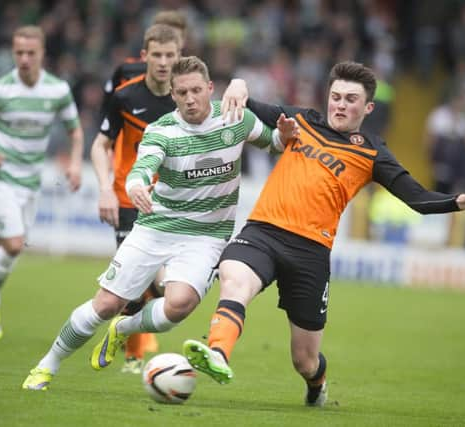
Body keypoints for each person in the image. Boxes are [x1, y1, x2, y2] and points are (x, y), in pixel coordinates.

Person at [182, 61, 465, 407]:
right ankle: (218, 353)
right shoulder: (303, 120)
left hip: (310, 253)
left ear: (367, 108)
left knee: (304, 361)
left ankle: (317, 385)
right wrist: (239, 83)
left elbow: (419, 199)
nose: (340, 104)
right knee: (234, 278)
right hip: (263, 231)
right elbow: (248, 104)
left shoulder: (372, 152)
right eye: (336, 96)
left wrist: (460, 201)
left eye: (351, 99)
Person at [22, 55, 296, 391]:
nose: (190, 98)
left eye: (196, 90)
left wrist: (284, 136)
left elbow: (275, 143)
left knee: (178, 306)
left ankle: (124, 330)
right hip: (157, 228)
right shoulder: (161, 130)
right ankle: (46, 365)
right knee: (106, 303)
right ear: (173, 95)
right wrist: (136, 187)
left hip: (207, 236)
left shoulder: (235, 119)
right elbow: (142, 167)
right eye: (182, 93)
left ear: (210, 89)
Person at [0, 25, 83, 340]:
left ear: (42, 54)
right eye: (19, 53)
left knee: (3, 248)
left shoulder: (57, 90)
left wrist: (76, 164)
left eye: (31, 53)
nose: (24, 59)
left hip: (30, 182)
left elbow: (75, 131)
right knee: (13, 245)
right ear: (13, 53)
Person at [101, 11, 188, 374]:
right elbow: (103, 140)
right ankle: (134, 354)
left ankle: (131, 340)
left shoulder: (188, 96)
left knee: (161, 289)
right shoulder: (125, 88)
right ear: (146, 54)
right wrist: (106, 187)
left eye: (173, 53)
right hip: (128, 196)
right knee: (133, 288)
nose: (166, 61)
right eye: (159, 54)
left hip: (169, 203)